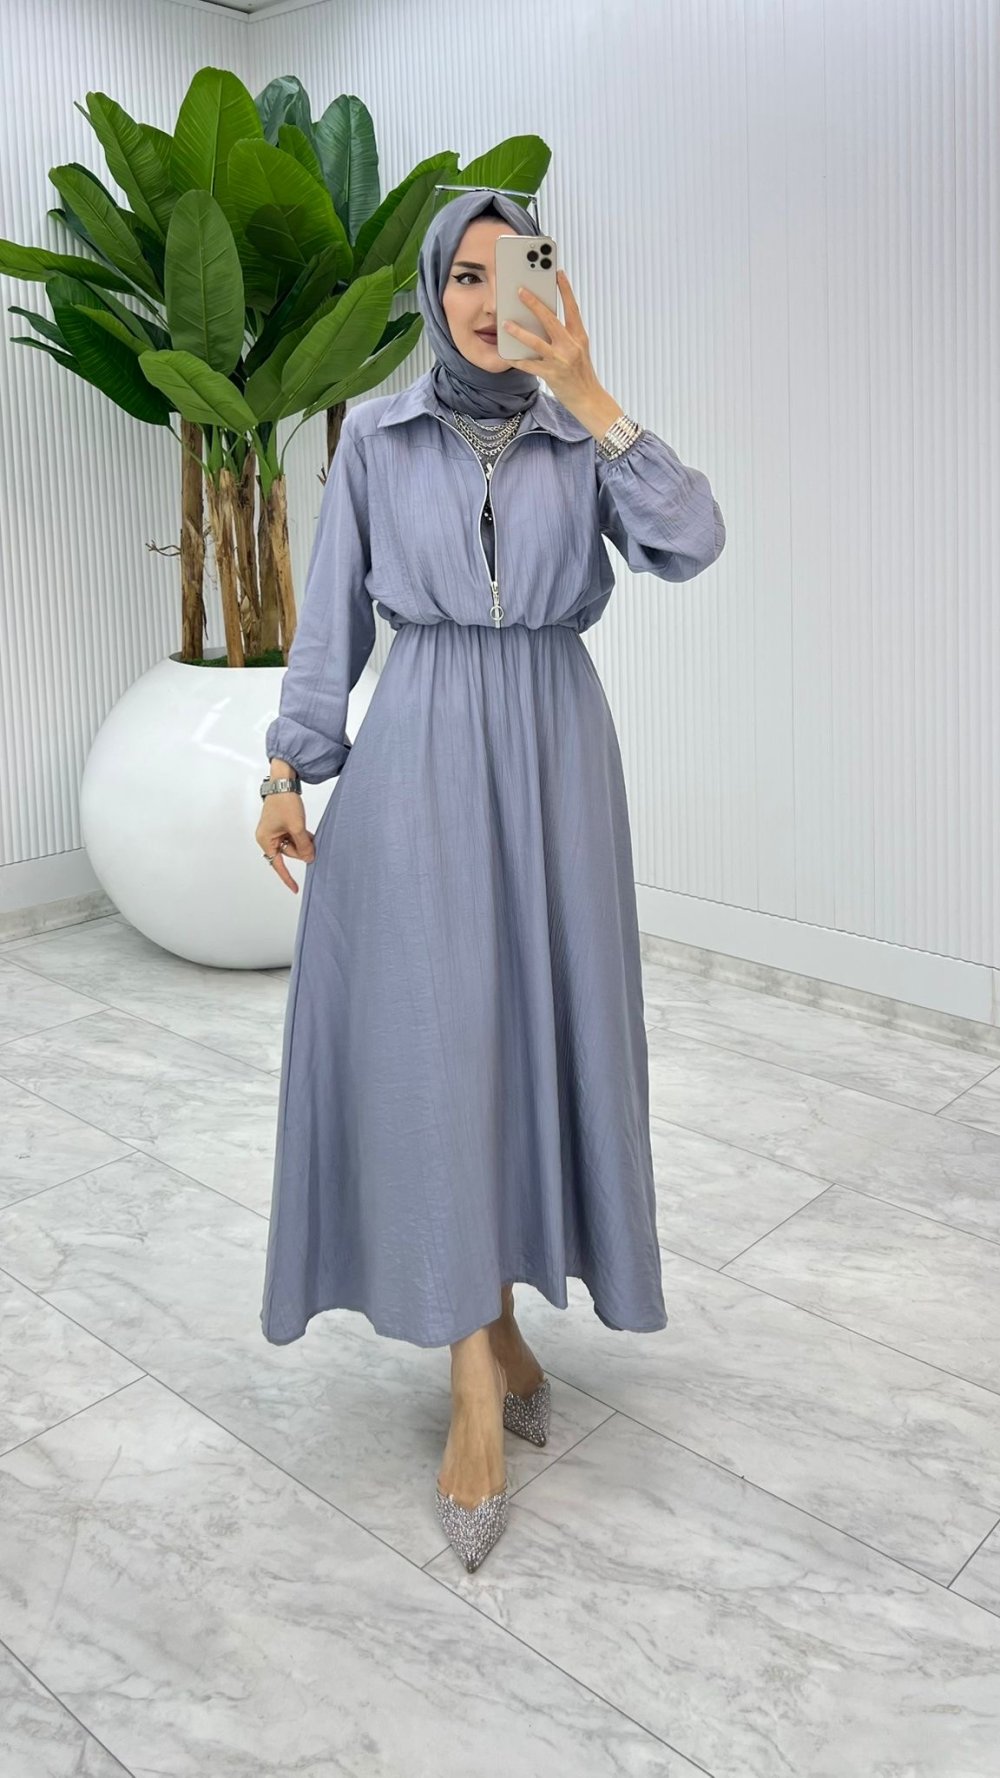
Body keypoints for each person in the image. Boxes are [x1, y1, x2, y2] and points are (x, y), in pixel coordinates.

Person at [254, 186, 726, 1573]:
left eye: (506, 270)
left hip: (557, 755)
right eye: (459, 275)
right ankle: (474, 1377)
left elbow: (693, 542)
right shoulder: (378, 437)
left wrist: (592, 393)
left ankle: (503, 1324)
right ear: (431, 289)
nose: (480, 297)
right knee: (439, 1048)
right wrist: (288, 767)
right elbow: (332, 620)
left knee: (535, 1039)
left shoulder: (581, 435)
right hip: (420, 750)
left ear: (546, 283)